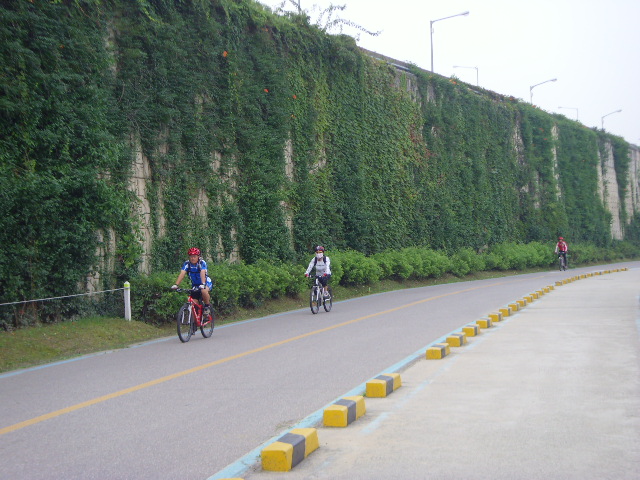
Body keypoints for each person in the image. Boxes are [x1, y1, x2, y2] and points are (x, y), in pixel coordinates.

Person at [171, 247, 213, 317]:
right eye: (191, 256)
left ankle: (207, 307)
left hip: (206, 282)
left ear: (198, 257)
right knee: (193, 302)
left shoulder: (202, 262)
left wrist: (203, 284)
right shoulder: (187, 264)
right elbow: (182, 273)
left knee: (203, 291)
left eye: (194, 256)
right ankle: (194, 322)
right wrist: (176, 284)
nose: (192, 258)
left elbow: (202, 272)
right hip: (195, 284)